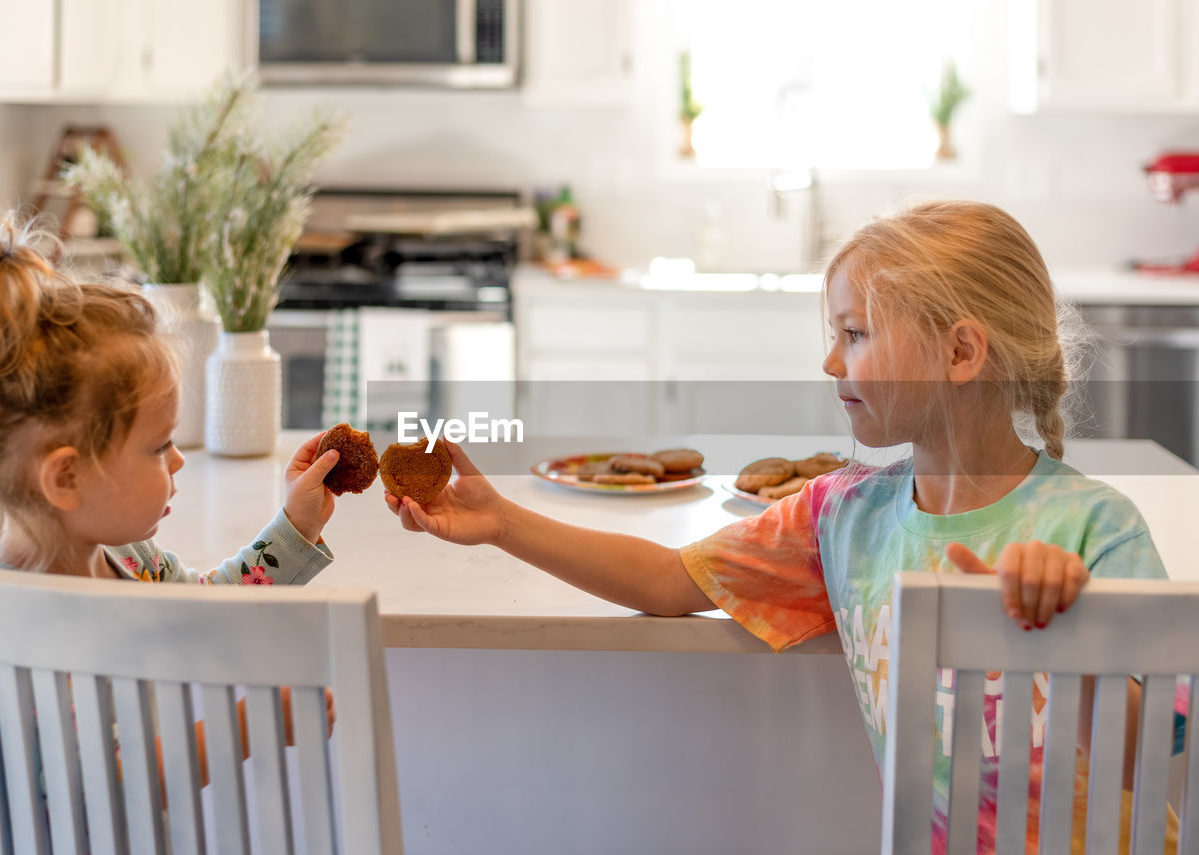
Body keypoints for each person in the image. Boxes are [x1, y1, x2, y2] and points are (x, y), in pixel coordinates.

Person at [388, 200, 1176, 853]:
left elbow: (1161, 751)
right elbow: (669, 582)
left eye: (856, 333)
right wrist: (502, 522)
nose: (833, 362)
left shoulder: (1094, 526)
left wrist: (1064, 643)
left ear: (961, 351)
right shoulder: (846, 515)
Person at [0, 213, 340, 790]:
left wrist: (296, 522)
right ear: (66, 477)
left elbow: (210, 612)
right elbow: (96, 791)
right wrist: (249, 726)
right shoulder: (10, 622)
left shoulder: (128, 561)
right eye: (159, 445)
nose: (178, 461)